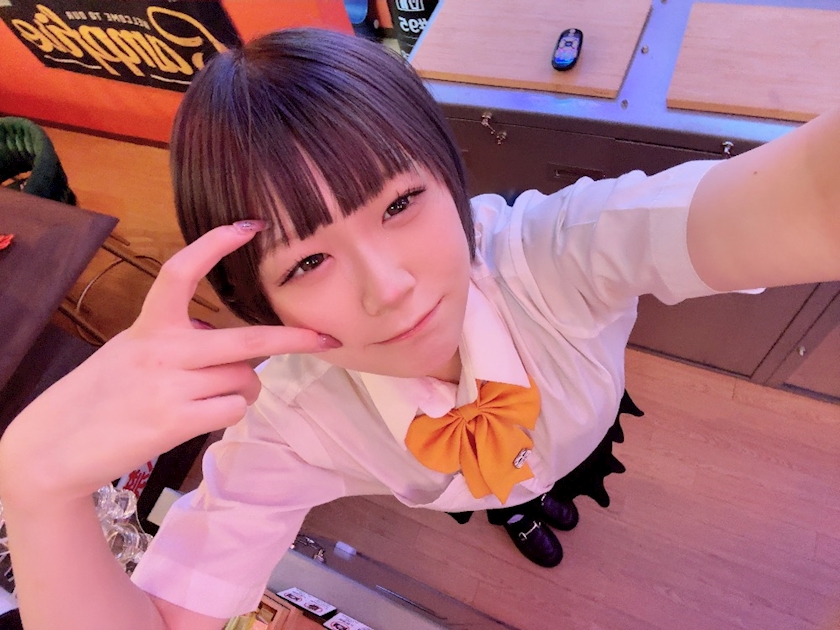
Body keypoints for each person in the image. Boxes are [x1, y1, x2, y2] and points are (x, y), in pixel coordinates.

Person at [0, 26, 838, 630]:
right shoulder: (287, 420)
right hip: (465, 484)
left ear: (450, 173)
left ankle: (539, 496)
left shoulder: (552, 254)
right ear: (259, 304)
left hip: (584, 423)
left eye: (400, 203)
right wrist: (34, 489)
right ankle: (516, 511)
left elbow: (804, 193)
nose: (390, 287)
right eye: (307, 261)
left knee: (572, 469)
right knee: (505, 501)